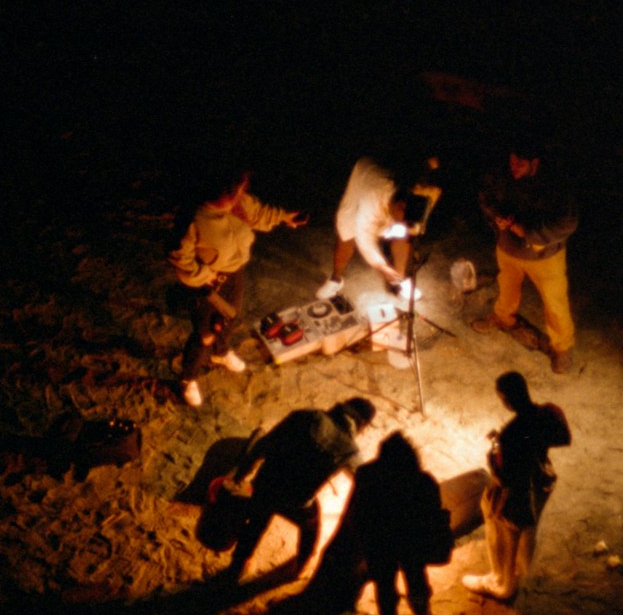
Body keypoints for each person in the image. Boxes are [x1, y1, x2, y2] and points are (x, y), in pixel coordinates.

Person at [168, 166, 307, 408]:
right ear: (215, 189)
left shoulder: (238, 202)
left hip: (234, 273)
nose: (238, 195)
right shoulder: (194, 218)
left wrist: (284, 217)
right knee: (205, 334)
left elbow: (260, 214)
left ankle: (220, 353)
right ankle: (188, 378)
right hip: (207, 283)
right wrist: (203, 274)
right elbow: (179, 256)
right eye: (233, 190)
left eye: (241, 189)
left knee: (230, 318)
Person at [220, 397, 376, 582]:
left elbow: (263, 445)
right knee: (312, 527)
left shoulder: (304, 416)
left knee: (255, 524)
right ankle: (301, 568)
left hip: (266, 484)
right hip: (297, 500)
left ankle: (238, 567)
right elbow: (366, 478)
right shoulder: (350, 450)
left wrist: (241, 476)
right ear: (362, 423)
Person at [472, 139, 580, 374]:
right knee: (507, 286)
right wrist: (496, 218)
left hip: (544, 257)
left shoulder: (555, 186)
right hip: (508, 248)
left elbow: (567, 223)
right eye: (512, 160)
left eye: (520, 162)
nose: (514, 166)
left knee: (555, 303)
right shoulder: (502, 176)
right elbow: (486, 196)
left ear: (535, 163)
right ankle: (503, 317)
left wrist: (528, 231)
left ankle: (562, 347)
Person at [462, 372, 571, 601]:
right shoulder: (545, 414)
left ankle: (501, 582)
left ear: (506, 399)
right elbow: (563, 437)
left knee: (503, 531)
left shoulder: (512, 433)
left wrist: (494, 450)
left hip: (516, 492)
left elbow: (503, 475)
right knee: (527, 530)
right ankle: (520, 570)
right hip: (538, 481)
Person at [339, 431, 449, 615]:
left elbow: (356, 511)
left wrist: (361, 540)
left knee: (384, 583)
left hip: (379, 542)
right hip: (411, 542)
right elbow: (433, 515)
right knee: (416, 579)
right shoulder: (424, 481)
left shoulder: (366, 474)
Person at [315, 157, 441, 301]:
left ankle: (399, 280)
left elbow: (426, 169)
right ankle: (335, 280)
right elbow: (364, 239)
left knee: (404, 235)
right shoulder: (372, 200)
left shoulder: (420, 196)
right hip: (363, 181)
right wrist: (382, 266)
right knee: (346, 234)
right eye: (402, 220)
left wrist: (431, 165)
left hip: (391, 192)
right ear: (399, 206)